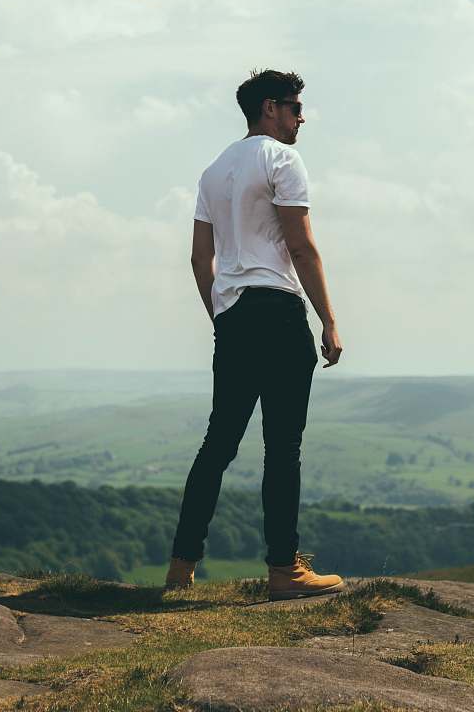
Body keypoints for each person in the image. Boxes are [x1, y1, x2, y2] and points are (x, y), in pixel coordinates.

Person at [165, 69, 346, 601]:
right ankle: (284, 570)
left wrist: (221, 315)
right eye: (294, 108)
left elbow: (202, 258)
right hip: (279, 311)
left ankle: (181, 564)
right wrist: (330, 320)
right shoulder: (282, 159)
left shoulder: (213, 170)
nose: (300, 118)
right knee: (282, 447)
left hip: (235, 315)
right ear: (270, 108)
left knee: (218, 444)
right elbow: (301, 245)